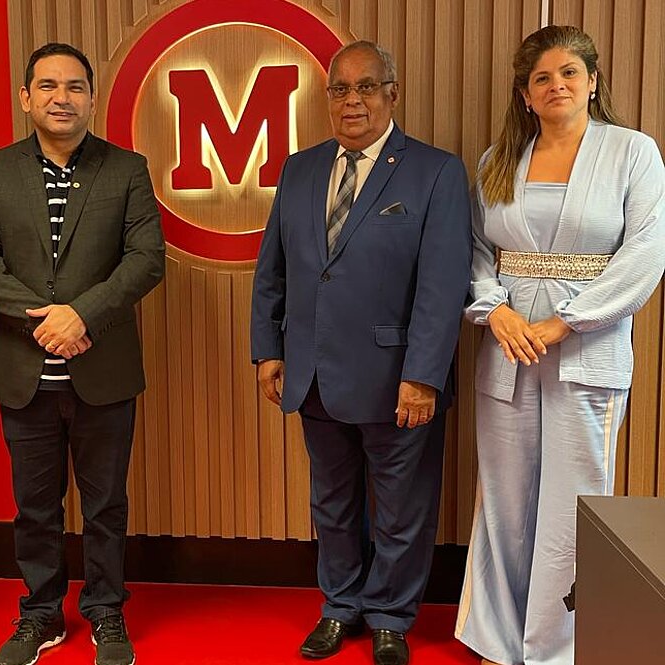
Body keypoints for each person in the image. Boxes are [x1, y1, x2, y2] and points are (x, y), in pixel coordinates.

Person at [251, 41, 472, 665]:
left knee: (402, 508)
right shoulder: (299, 169)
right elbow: (274, 268)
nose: (353, 101)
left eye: (367, 87)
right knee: (332, 503)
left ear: (392, 94)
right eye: (341, 89)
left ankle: (391, 617)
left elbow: (443, 284)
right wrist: (269, 348)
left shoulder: (435, 171)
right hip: (312, 373)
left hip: (397, 378)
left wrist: (424, 375)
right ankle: (339, 605)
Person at [455, 25, 665, 665]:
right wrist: (495, 311)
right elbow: (474, 250)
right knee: (506, 496)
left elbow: (645, 253)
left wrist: (567, 321)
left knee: (577, 500)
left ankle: (562, 648)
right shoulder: (496, 161)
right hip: (508, 349)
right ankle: (499, 638)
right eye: (541, 78)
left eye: (569, 73)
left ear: (593, 81)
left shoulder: (633, 152)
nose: (556, 86)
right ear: (524, 93)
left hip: (585, 349)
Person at [0, 42, 165, 665]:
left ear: (92, 98)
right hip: (25, 372)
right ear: (26, 97)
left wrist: (83, 314)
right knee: (34, 507)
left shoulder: (126, 169)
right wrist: (48, 322)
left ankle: (106, 610)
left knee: (106, 504)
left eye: (75, 86)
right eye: (47, 86)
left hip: (103, 368)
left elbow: (145, 259)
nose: (61, 98)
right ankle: (41, 613)